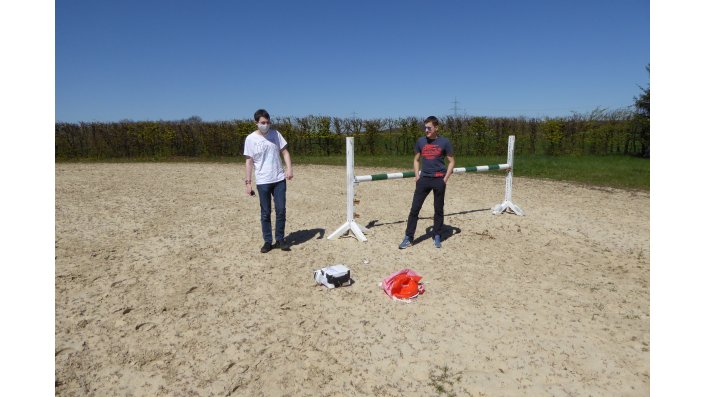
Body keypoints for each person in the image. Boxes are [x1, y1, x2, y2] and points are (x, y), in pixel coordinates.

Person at [399, 116, 455, 249]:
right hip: (423, 180)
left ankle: (437, 235)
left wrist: (445, 179)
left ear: (436, 128)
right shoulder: (420, 141)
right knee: (414, 209)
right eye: (425, 128)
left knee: (438, 209)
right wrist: (417, 176)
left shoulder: (445, 142)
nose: (426, 130)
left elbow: (451, 162)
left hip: (439, 180)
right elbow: (416, 160)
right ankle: (408, 237)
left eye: (429, 128)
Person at [243, 109, 294, 253]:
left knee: (281, 210)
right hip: (263, 181)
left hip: (278, 179)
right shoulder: (250, 139)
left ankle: (280, 239)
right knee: (265, 212)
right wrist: (248, 182)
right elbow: (249, 161)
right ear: (256, 123)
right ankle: (267, 241)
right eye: (262, 123)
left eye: (268, 122)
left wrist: (289, 169)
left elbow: (285, 152)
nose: (266, 125)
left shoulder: (276, 134)